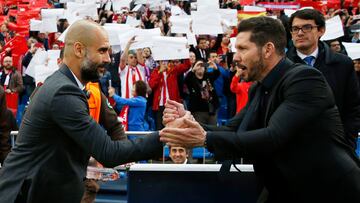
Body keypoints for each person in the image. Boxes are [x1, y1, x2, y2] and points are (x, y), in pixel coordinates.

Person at [160, 17, 360, 203]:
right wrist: (189, 121)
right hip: (286, 189)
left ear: (267, 49)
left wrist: (204, 139)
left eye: (242, 49)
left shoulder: (304, 79)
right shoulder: (259, 87)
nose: (235, 57)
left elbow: (273, 137)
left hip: (330, 192)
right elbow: (233, 129)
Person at [0, 20, 163, 203]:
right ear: (78, 50)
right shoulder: (63, 92)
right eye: (102, 50)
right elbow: (109, 153)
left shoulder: (63, 85)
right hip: (28, 195)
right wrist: (165, 137)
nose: (108, 59)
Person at [286, 9, 360, 150]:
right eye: (295, 29)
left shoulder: (342, 64)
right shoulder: (280, 66)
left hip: (333, 148)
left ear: (321, 31)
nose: (300, 33)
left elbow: (352, 108)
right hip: (291, 149)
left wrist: (347, 143)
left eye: (306, 27)